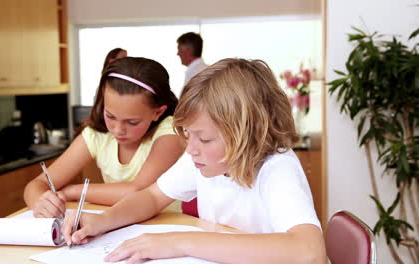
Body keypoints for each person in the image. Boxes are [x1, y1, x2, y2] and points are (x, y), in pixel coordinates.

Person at [61, 58, 326, 263]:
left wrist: (181, 242)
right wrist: (102, 221)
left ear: (246, 135)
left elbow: (309, 251)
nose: (191, 149)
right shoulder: (203, 159)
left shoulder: (277, 168)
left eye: (205, 139)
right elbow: (152, 197)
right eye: (188, 134)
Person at [24, 57, 184, 218]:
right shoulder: (97, 135)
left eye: (132, 122)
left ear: (158, 112)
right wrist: (41, 202)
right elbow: (36, 185)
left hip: (167, 228)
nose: (118, 130)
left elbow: (137, 191)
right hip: (117, 226)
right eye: (110, 116)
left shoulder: (171, 132)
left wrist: (71, 191)